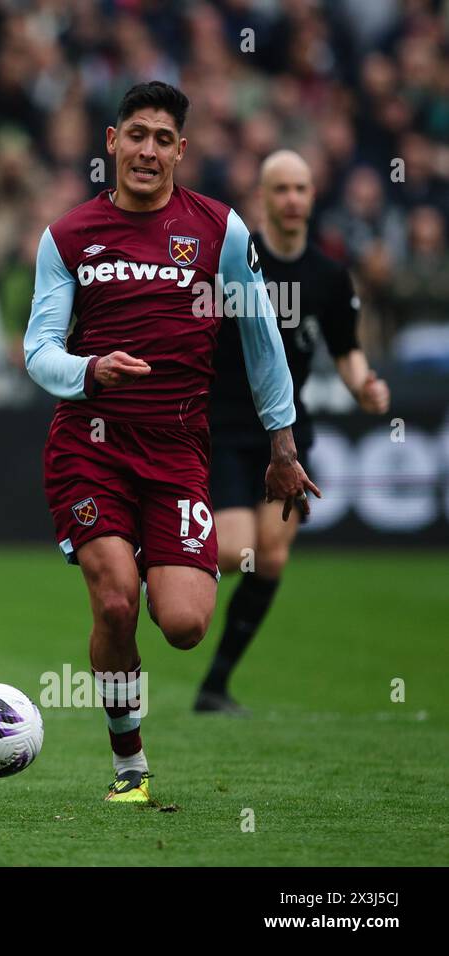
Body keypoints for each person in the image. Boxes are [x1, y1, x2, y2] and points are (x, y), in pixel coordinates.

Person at [23, 82, 319, 803]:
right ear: (111, 142)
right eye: (137, 135)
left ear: (181, 150)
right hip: (89, 444)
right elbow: (38, 351)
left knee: (183, 623)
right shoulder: (67, 237)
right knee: (117, 603)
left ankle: (156, 568)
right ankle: (130, 769)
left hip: (179, 452)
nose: (148, 150)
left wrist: (282, 446)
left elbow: (261, 341)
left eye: (163, 139)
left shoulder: (221, 231)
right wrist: (91, 370)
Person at [197, 150, 391, 714]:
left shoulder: (329, 276)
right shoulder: (235, 259)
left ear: (312, 196)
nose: (291, 199)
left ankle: (215, 687)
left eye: (301, 189)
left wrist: (364, 386)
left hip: (285, 435)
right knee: (236, 552)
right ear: (262, 195)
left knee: (273, 560)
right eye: (280, 189)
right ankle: (164, 561)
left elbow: (346, 349)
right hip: (225, 425)